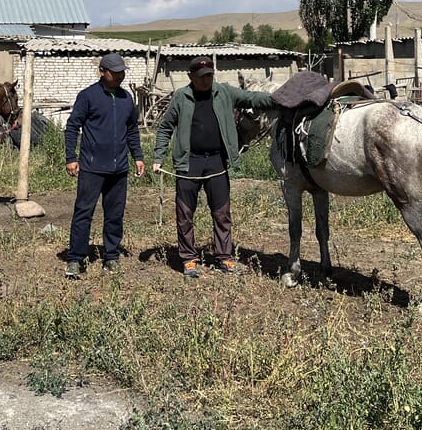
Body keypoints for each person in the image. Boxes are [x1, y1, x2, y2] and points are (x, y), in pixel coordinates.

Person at [152, 56, 280, 278]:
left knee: (222, 213)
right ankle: (189, 259)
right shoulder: (181, 97)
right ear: (191, 76)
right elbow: (165, 128)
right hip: (189, 162)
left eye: (209, 76)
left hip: (216, 161)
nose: (206, 81)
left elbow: (253, 98)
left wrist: (281, 99)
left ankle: (224, 258)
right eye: (201, 77)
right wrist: (158, 157)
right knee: (185, 214)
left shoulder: (224, 92)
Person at [63, 53, 144, 278]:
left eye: (121, 72)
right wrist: (71, 157)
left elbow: (132, 131)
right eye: (114, 72)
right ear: (102, 72)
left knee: (115, 214)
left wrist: (137, 156)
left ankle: (111, 256)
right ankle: (75, 259)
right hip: (91, 167)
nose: (119, 76)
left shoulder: (127, 99)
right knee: (83, 213)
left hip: (119, 170)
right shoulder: (88, 96)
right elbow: (72, 127)